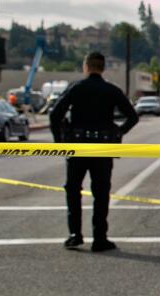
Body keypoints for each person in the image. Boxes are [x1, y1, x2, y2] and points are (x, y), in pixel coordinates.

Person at [47, 52, 139, 252]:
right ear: (103, 68)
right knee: (101, 192)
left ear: (86, 66)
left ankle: (75, 235)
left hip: (77, 146)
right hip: (102, 147)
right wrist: (118, 132)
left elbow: (54, 115)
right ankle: (100, 238)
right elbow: (132, 116)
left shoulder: (76, 88)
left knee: (73, 190)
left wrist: (59, 142)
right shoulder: (111, 90)